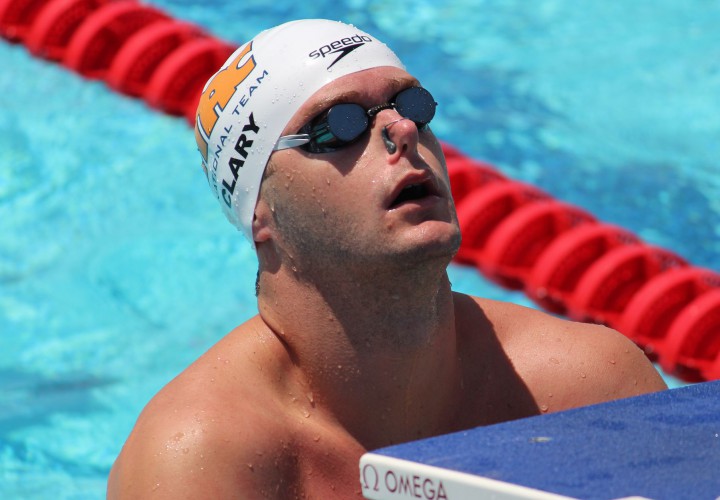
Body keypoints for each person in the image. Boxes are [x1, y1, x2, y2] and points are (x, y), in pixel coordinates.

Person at [107, 19, 667, 499]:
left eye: (412, 106)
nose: (402, 129)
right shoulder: (202, 461)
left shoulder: (584, 391)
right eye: (338, 125)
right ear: (260, 213)